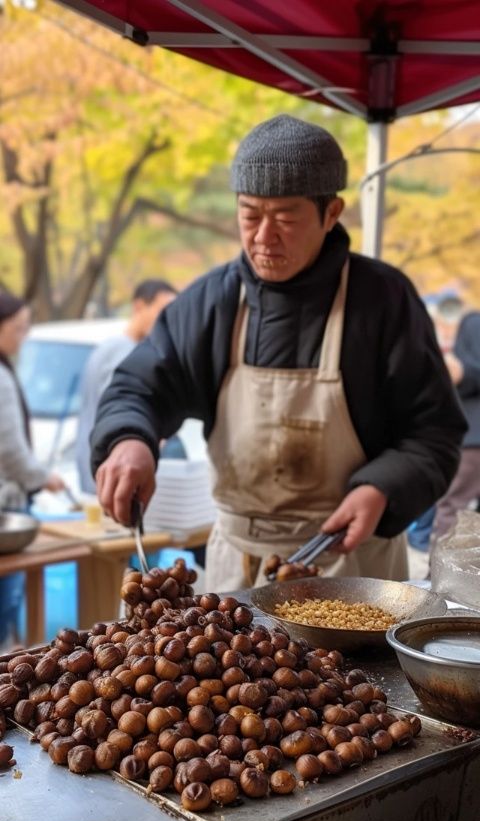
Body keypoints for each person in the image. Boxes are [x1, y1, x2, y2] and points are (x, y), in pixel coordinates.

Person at [91, 114, 466, 592]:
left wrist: (383, 489)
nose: (263, 237)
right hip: (236, 564)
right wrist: (129, 440)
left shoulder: (383, 301)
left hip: (353, 567)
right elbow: (139, 387)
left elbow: (434, 433)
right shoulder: (211, 302)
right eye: (250, 215)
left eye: (285, 218)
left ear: (332, 214)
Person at [0, 289, 64, 646]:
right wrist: (44, 478)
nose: (23, 336)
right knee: (4, 605)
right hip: (6, 509)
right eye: (18, 327)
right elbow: (11, 452)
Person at [75, 279, 177, 493]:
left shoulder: (107, 347)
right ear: (139, 306)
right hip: (111, 467)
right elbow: (121, 411)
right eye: (162, 310)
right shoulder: (126, 353)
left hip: (97, 463)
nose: (167, 319)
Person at [432, 296, 480, 539]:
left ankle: (440, 576)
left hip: (474, 439)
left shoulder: (472, 321)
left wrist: (460, 373)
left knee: (452, 510)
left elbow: (471, 371)